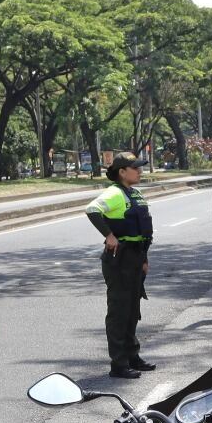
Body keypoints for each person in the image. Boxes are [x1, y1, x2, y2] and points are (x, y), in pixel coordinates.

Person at [84, 150, 154, 379]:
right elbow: (92, 209)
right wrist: (109, 235)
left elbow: (143, 229)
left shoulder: (134, 193)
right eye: (136, 168)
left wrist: (144, 259)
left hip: (135, 256)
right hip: (119, 259)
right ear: (122, 172)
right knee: (119, 312)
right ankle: (119, 364)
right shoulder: (114, 193)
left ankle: (132, 356)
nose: (140, 171)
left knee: (133, 311)